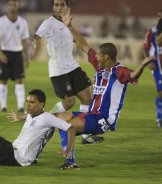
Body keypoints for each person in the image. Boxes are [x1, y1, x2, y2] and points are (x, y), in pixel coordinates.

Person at [53, 9, 155, 169]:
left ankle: (69, 162)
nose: (96, 56)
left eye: (99, 54)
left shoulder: (120, 72)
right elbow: (84, 45)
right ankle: (51, 156)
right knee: (58, 119)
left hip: (103, 119)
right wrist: (70, 26)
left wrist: (142, 65)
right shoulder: (99, 67)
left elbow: (133, 76)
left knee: (69, 126)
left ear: (106, 57)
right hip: (92, 114)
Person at [32, 0, 103, 151]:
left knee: (87, 98)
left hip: (72, 65)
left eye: (61, 4)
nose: (58, 7)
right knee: (69, 102)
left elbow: (77, 40)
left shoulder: (66, 23)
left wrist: (90, 51)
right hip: (59, 69)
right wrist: (34, 44)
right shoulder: (49, 23)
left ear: (66, 7)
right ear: (53, 7)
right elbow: (37, 36)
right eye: (56, 4)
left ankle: (85, 135)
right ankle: (45, 119)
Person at [0, 0, 30, 113]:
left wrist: (26, 57)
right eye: (10, 4)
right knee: (3, 80)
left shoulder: (23, 22)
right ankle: (3, 106)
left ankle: (20, 106)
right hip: (5, 53)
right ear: (7, 7)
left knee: (20, 80)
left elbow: (24, 41)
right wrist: (0, 54)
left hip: (17, 53)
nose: (12, 6)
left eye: (14, 4)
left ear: (17, 6)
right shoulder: (0, 21)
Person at [143, 10, 162, 128]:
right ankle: (160, 118)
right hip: (158, 64)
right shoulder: (152, 31)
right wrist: (148, 61)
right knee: (161, 92)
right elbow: (145, 48)